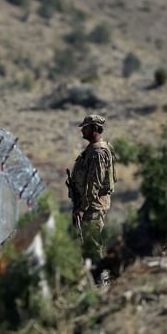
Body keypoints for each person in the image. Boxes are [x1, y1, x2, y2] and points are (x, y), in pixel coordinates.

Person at [67, 114, 116, 284]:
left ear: (95, 129)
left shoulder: (98, 152)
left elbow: (93, 184)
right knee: (87, 245)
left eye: (86, 127)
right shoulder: (91, 151)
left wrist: (83, 207)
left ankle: (100, 280)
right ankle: (95, 280)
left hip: (92, 207)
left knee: (93, 245)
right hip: (88, 206)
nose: (82, 129)